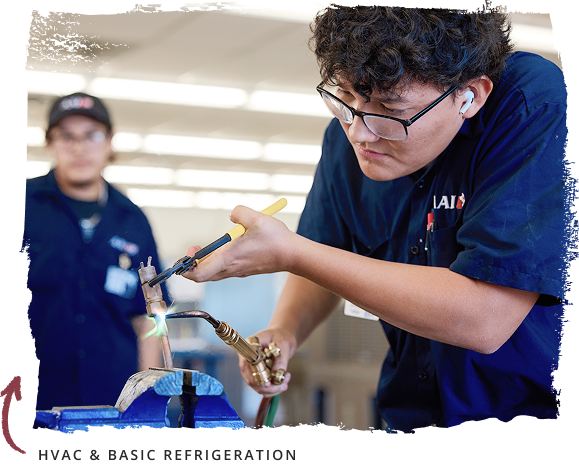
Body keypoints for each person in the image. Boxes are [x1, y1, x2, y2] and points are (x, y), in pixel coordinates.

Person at [182, 6, 573, 432]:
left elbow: (485, 319)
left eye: (389, 108)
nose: (359, 133)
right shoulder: (348, 140)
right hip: (412, 417)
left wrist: (291, 253)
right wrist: (286, 330)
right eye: (346, 97)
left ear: (469, 96)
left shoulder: (531, 106)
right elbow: (325, 249)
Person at [23, 92, 164, 410]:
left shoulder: (133, 220)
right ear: (50, 142)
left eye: (92, 136)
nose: (80, 148)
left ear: (110, 141)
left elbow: (149, 318)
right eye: (67, 137)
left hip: (111, 400)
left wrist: (146, 399)